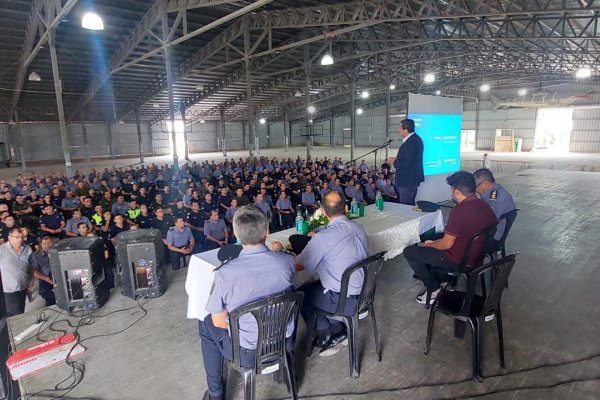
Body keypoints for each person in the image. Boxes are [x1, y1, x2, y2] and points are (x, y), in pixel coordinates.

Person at [200, 205, 295, 400]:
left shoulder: (226, 274)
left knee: (205, 323)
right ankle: (283, 374)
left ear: (235, 234)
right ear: (267, 232)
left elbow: (219, 323)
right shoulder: (285, 262)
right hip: (282, 339)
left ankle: (216, 393)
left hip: (247, 352)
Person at [276, 191, 368, 357]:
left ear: (324, 212)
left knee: (301, 294)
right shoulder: (358, 227)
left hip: (344, 299)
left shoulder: (323, 238)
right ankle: (335, 329)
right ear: (346, 208)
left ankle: (330, 332)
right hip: (365, 292)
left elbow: (297, 266)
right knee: (315, 286)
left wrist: (281, 251)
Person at [403, 171, 497, 305]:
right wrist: (436, 241)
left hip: (460, 261)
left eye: (451, 189)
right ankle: (443, 278)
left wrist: (432, 244)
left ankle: (433, 289)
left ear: (456, 191)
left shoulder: (459, 211)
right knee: (436, 236)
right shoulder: (484, 206)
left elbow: (446, 245)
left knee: (410, 252)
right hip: (476, 256)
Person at [385, 118, 424, 205]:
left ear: (405, 130)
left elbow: (406, 163)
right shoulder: (415, 139)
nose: (399, 130)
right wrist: (396, 159)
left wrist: (393, 162)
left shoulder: (410, 142)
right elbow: (409, 158)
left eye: (400, 128)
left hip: (407, 181)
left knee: (405, 206)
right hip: (410, 179)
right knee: (409, 205)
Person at [473, 168, 516, 243]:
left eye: (475, 186)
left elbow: (488, 220)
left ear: (485, 184)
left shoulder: (495, 197)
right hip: (493, 233)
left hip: (492, 237)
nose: (474, 190)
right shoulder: (496, 191)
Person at [0, 227, 33, 316]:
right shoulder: (2, 250)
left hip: (23, 286)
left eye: (22, 237)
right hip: (9, 289)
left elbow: (31, 266)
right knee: (16, 312)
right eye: (17, 237)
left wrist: (31, 280)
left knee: (21, 308)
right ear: (9, 237)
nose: (20, 240)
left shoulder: (27, 249)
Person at [31, 236, 56, 306]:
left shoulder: (58, 252)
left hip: (59, 275)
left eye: (49, 243)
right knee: (43, 291)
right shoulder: (36, 257)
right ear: (41, 245)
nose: (47, 245)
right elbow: (34, 272)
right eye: (44, 244)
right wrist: (47, 278)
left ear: (53, 243)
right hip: (45, 277)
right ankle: (54, 305)